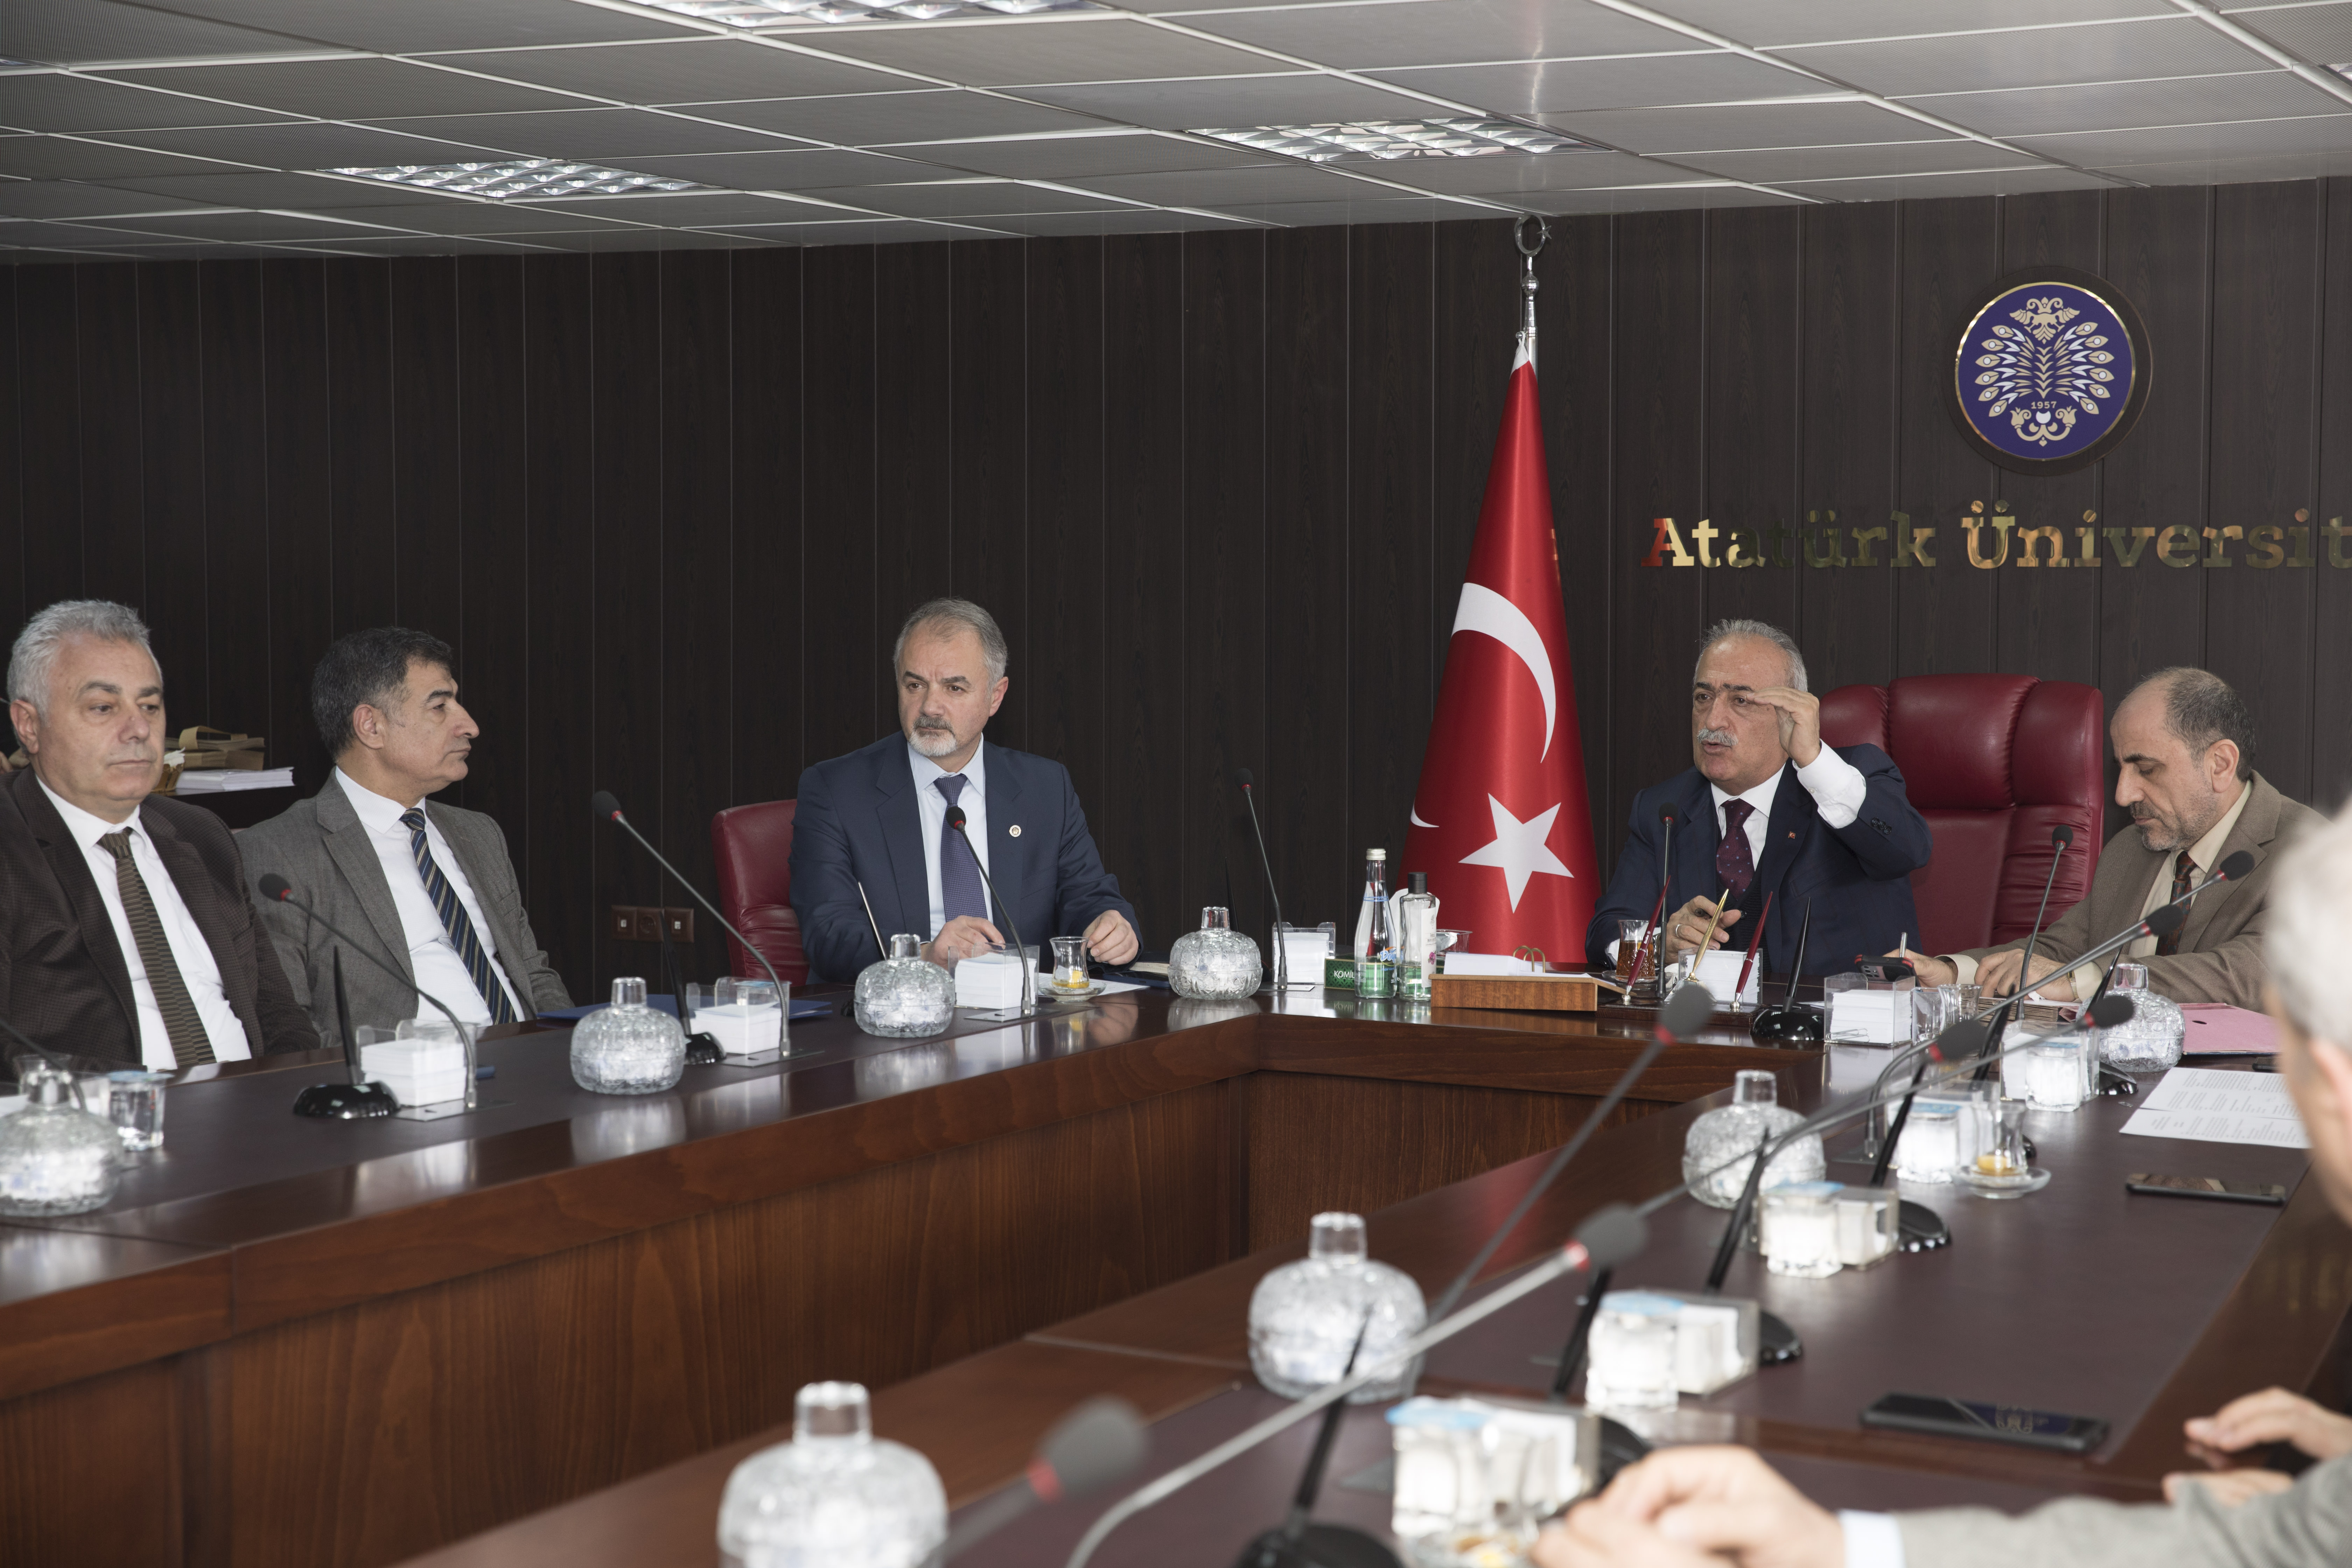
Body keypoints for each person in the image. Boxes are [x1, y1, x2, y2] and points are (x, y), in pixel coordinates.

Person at [1538, 799, 2352, 1568]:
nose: (2124, 791)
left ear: (2332, 1086)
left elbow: (2262, 1545)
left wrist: (1833, 1549)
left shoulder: (2285, 846)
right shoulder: (2133, 853)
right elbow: (2289, 1537)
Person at [0, 600, 315, 1068]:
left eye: (149, 705)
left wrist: (296, 1090)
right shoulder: (11, 845)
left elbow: (275, 1011)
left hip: (250, 1101)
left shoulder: (201, 834)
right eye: (103, 707)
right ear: (29, 725)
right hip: (106, 1107)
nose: (139, 729)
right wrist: (140, 1099)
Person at [1904, 669, 2318, 1009]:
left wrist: (2083, 981)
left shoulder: (2317, 853)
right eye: (2121, 769)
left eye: (2147, 769)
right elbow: (2062, 951)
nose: (2123, 794)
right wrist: (1953, 972)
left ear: (2220, 765)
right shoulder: (2131, 848)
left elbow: (2249, 976)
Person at [240, 628, 569, 1051]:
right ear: (371, 726)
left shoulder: (479, 833)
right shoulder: (279, 851)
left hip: (528, 1062)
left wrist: (568, 1048)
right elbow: (288, 1021)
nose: (470, 726)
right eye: (440, 706)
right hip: (409, 1078)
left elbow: (533, 973)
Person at [790, 598, 1139, 983]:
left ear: (995, 696)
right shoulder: (837, 790)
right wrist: (924, 957)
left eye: (954, 687)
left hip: (1022, 1009)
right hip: (897, 1007)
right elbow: (828, 933)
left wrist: (1111, 928)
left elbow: (1089, 897)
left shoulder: (1044, 788)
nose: (930, 706)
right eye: (915, 685)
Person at [1583, 620, 1931, 978]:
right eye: (1704, 697)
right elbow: (1607, 930)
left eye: (1741, 700)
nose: (1713, 721)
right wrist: (1660, 946)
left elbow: (1909, 851)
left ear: (1790, 714)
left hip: (1838, 1011)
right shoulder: (1664, 808)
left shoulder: (1849, 777)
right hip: (1705, 1014)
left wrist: (1814, 762)